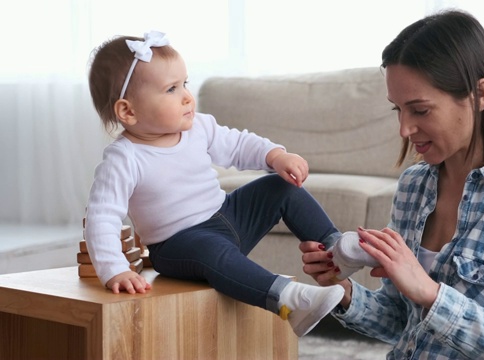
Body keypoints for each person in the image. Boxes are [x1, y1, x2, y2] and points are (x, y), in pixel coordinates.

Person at [299, 10, 484, 358]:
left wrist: (432, 294)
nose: (404, 129)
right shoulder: (414, 186)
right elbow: (400, 321)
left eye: (420, 110)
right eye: (398, 110)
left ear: (479, 95)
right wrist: (343, 290)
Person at [84, 31, 345, 337]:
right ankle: (289, 301)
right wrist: (114, 268)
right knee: (213, 253)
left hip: (227, 215)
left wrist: (275, 156)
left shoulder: (199, 126)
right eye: (170, 89)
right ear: (128, 111)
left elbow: (237, 145)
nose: (186, 96)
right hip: (179, 244)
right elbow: (102, 216)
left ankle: (337, 249)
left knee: (280, 186)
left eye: (185, 84)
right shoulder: (124, 158)